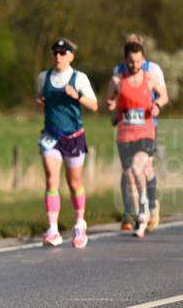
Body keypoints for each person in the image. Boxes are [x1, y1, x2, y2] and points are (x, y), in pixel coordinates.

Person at [35, 38, 98, 248]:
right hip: (51, 137)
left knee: (74, 183)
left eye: (63, 53)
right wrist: (39, 102)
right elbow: (41, 98)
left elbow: (94, 106)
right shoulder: (43, 77)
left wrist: (77, 96)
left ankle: (80, 223)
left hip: (73, 137)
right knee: (51, 179)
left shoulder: (79, 78)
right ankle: (52, 229)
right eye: (55, 52)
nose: (58, 56)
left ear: (71, 56)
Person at [107, 41, 169, 238]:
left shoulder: (149, 78)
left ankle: (146, 209)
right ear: (125, 60)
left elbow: (164, 96)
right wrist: (112, 107)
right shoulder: (117, 80)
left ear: (143, 60)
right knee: (129, 175)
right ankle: (140, 216)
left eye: (138, 61)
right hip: (125, 134)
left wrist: (157, 104)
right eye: (131, 61)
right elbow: (111, 101)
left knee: (137, 167)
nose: (135, 65)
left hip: (145, 132)